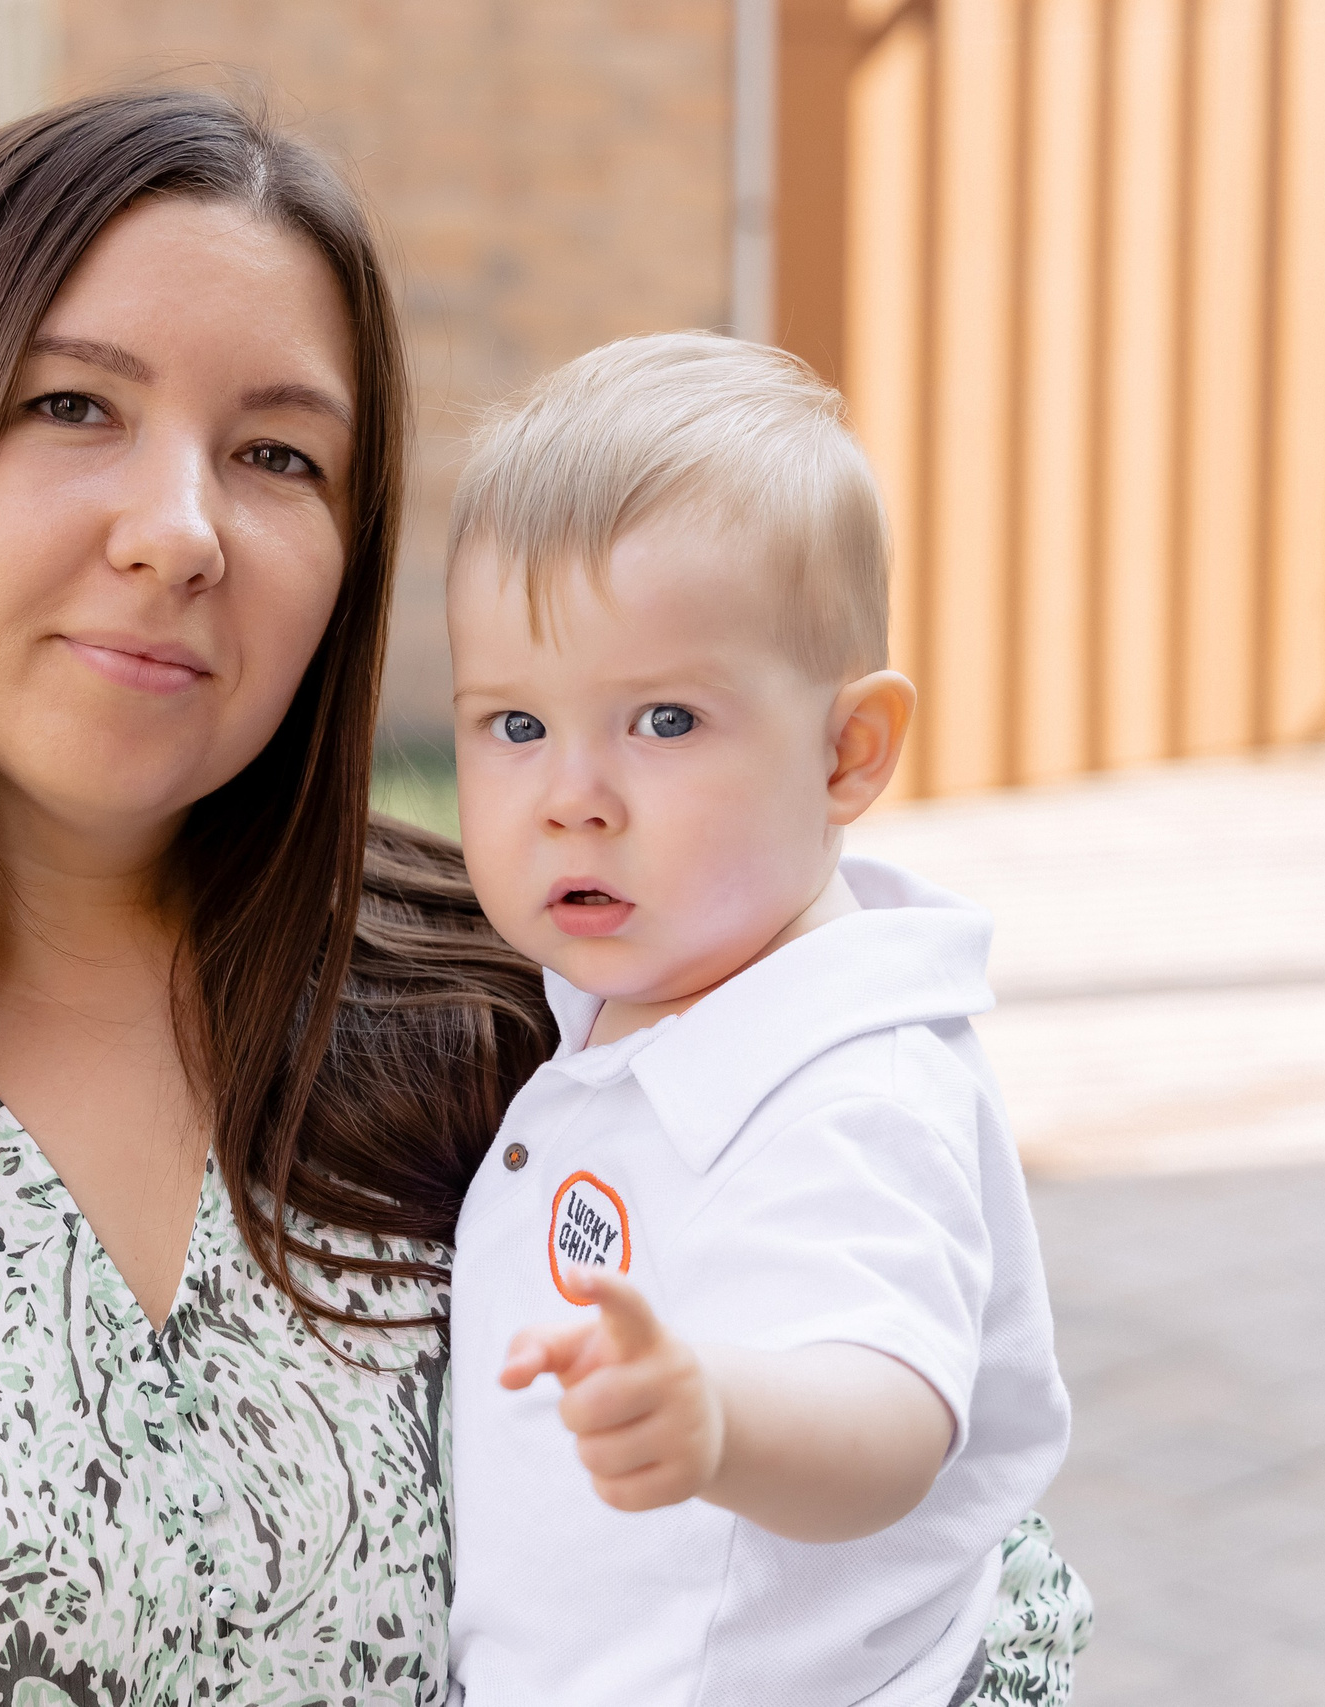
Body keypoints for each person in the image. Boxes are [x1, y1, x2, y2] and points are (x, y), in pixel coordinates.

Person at [0, 90, 1088, 1705]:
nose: (178, 533)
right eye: (75, 408)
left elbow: (951, 1594)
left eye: (275, 454)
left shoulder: (525, 996)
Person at [441, 332, 1084, 1707]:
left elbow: (892, 1409)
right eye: (512, 726)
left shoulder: (846, 1084)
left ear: (848, 752)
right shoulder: (636, 996)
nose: (574, 794)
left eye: (664, 720)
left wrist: (721, 1415)